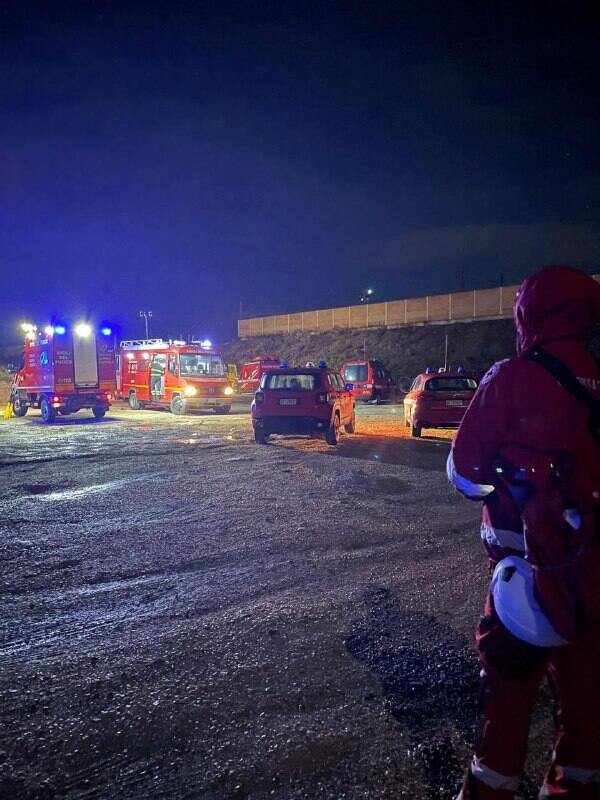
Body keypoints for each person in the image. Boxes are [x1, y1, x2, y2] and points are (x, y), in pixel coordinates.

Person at [447, 266, 600, 798]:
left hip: (527, 583)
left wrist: (503, 485)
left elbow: (464, 471)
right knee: (586, 707)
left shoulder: (512, 377)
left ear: (527, 315)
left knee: (506, 703)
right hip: (595, 578)